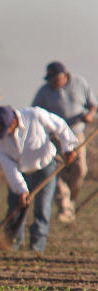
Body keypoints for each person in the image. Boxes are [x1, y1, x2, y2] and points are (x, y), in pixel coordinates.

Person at [0, 105, 78, 253]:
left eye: (6, 129)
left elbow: (60, 126)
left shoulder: (35, 115)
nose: (5, 134)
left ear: (13, 122)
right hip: (19, 171)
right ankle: (12, 244)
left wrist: (68, 148)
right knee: (15, 207)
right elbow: (7, 164)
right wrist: (21, 189)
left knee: (42, 208)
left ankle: (37, 248)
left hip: (44, 167)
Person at [32, 61, 96, 223]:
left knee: (80, 169)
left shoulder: (80, 84)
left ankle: (71, 198)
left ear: (64, 76)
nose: (53, 83)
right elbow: (35, 113)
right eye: (51, 80)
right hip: (55, 138)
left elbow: (93, 105)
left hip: (76, 134)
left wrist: (89, 115)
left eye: (56, 79)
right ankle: (64, 208)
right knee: (56, 172)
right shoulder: (44, 92)